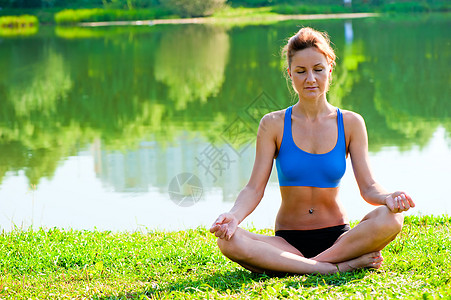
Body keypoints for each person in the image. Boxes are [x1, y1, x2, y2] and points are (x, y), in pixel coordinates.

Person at [209, 27, 415, 275]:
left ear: (330, 68)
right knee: (227, 240)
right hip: (287, 241)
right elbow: (254, 189)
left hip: (339, 239)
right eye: (300, 71)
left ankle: (307, 265)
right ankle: (333, 268)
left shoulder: (351, 123)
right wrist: (233, 216)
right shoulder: (273, 124)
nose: (310, 79)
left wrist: (388, 198)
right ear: (289, 74)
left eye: (318, 69)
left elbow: (369, 186)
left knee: (392, 217)